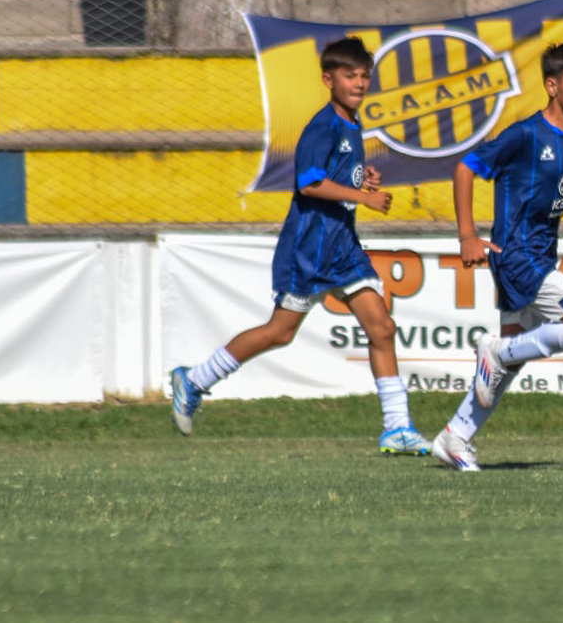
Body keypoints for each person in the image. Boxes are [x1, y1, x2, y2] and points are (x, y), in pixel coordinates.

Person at [169, 36, 432, 456]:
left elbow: (337, 178)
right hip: (309, 250)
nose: (359, 84)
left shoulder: (351, 123)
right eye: (350, 76)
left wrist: (360, 183)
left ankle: (397, 427)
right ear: (328, 79)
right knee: (279, 332)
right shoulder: (322, 125)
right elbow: (309, 183)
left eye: (365, 76)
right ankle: (196, 379)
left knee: (382, 328)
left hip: (343, 248)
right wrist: (363, 197)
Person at [430, 41, 563, 471]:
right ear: (552, 86)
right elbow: (465, 167)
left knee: (508, 362)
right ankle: (495, 353)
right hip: (516, 256)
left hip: (543, 255)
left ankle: (455, 436)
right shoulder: (525, 134)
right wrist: (467, 236)